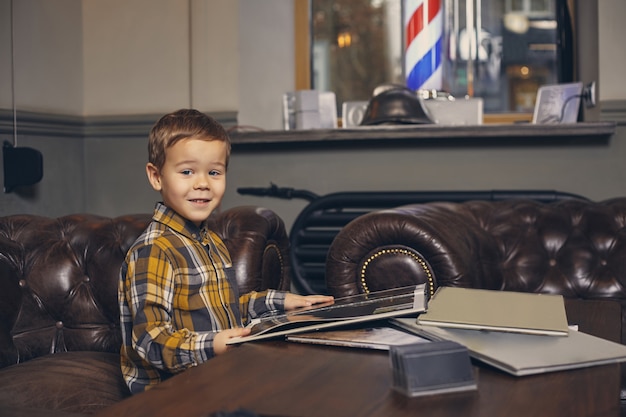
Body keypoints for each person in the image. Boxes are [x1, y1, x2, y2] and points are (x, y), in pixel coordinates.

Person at [119, 109, 333, 394]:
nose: (203, 183)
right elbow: (150, 340)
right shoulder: (154, 250)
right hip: (170, 393)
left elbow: (224, 310)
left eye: (214, 172)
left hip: (217, 375)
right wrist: (215, 344)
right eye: (186, 172)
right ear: (156, 176)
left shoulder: (211, 241)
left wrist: (284, 302)